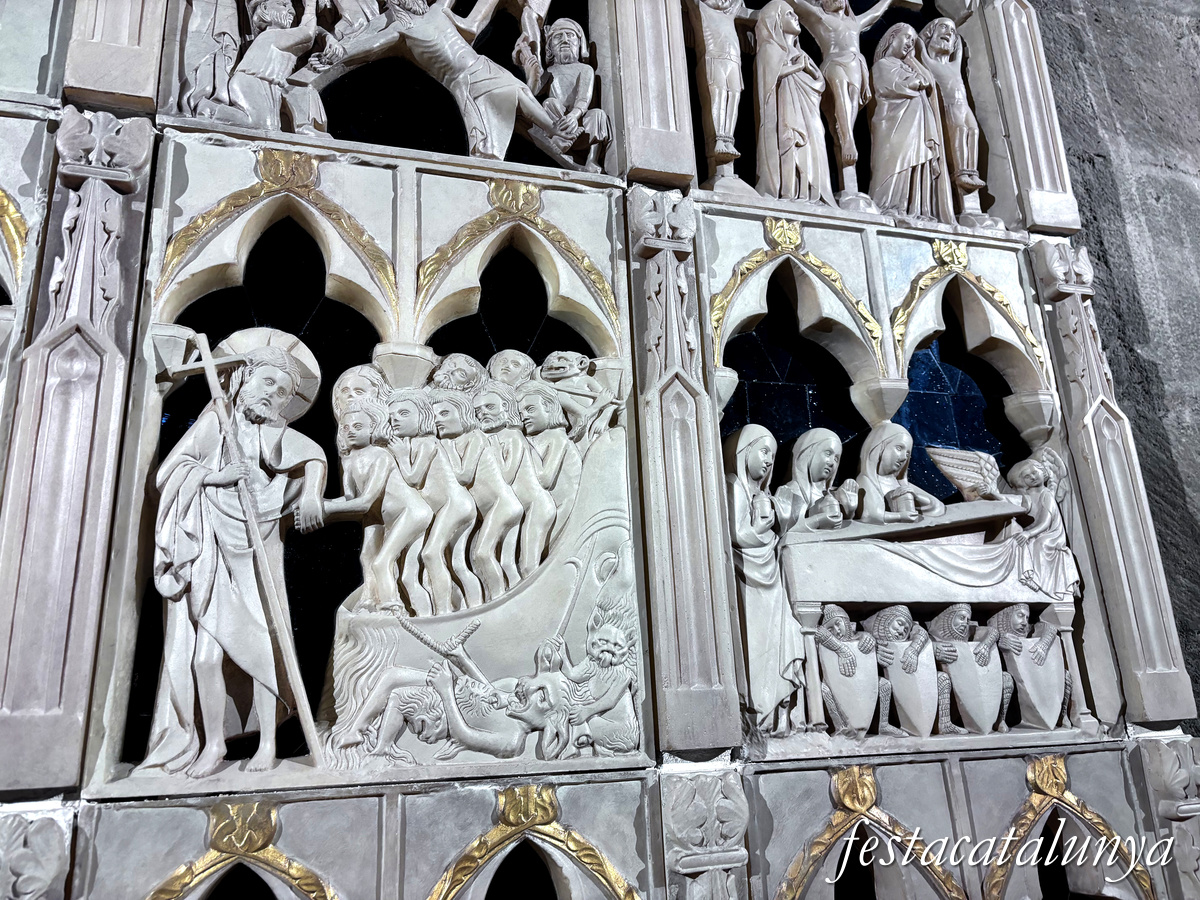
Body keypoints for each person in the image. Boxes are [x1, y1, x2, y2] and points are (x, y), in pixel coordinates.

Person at [142, 342, 326, 777]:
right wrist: (214, 476)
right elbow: (169, 474)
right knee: (206, 658)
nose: (273, 394)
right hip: (212, 545)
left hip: (256, 539)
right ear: (244, 378)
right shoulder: (215, 421)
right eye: (268, 381)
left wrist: (314, 494)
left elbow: (313, 454)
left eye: (282, 391)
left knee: (261, 644)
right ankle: (213, 746)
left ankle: (267, 743)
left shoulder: (268, 432)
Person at [790, 0, 920, 195]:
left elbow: (875, 13)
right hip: (834, 64)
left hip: (856, 69)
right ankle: (848, 140)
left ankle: (848, 180)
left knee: (844, 121)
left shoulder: (854, 23)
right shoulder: (821, 18)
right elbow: (797, 3)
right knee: (841, 95)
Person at [724, 425, 804, 736]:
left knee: (782, 640)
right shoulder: (733, 485)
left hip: (772, 582)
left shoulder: (763, 494)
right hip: (749, 582)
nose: (769, 460)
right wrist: (765, 526)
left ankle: (779, 718)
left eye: (773, 453)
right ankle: (757, 717)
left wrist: (779, 517)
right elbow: (737, 533)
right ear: (743, 454)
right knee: (756, 648)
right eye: (763, 451)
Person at [325, 395, 434, 615]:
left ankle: (392, 608)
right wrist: (321, 504)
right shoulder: (348, 461)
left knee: (382, 561)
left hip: (411, 513)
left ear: (373, 427)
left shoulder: (380, 455)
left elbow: (365, 502)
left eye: (358, 426)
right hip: (383, 517)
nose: (350, 431)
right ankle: (368, 600)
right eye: (345, 427)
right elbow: (349, 499)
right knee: (367, 555)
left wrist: (325, 509)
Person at [431, 389, 524, 600]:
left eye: (444, 414)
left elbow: (463, 476)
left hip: (503, 505)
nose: (438, 421)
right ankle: (510, 600)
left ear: (462, 415)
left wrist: (445, 451)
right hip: (495, 509)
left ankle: (500, 601)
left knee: (482, 554)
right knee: (505, 562)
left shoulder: (475, 437)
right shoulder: (452, 442)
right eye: (435, 416)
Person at [869, 23, 954, 222]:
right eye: (906, 38)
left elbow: (926, 80)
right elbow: (899, 86)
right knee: (896, 163)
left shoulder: (906, 65)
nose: (910, 44)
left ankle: (916, 209)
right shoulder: (883, 65)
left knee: (917, 163)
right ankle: (888, 205)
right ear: (892, 38)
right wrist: (915, 79)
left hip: (917, 126)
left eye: (913, 41)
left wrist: (913, 60)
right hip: (894, 124)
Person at [474, 381, 557, 577]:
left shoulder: (512, 436)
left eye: (490, 407)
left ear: (506, 408)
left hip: (537, 507)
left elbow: (506, 476)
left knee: (528, 566)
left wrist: (488, 450)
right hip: (518, 509)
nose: (483, 413)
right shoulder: (494, 437)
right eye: (478, 410)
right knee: (506, 563)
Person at [754, 2, 833, 204]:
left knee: (811, 147)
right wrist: (797, 68)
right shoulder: (769, 49)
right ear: (776, 21)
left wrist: (809, 70)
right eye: (789, 14)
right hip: (785, 112)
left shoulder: (802, 54)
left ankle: (809, 194)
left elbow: (819, 82)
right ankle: (788, 192)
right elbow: (772, 78)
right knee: (789, 141)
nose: (796, 17)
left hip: (808, 113)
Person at [198, 0, 319, 132]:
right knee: (261, 124)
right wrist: (311, 5)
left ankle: (305, 128)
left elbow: (309, 33)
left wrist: (327, 38)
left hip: (267, 85)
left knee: (272, 127)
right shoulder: (271, 35)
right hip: (251, 81)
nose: (292, 11)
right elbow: (308, 34)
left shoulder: (283, 36)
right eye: (283, 5)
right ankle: (210, 110)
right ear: (265, 8)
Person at [539, 18, 610, 172]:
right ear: (550, 47)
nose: (565, 40)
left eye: (570, 35)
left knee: (598, 115)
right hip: (559, 124)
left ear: (579, 43)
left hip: (579, 123)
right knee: (549, 103)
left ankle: (592, 160)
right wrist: (530, 70)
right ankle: (561, 136)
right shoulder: (550, 72)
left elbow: (584, 99)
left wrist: (573, 116)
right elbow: (532, 94)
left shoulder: (585, 69)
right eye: (558, 37)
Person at [856, 421, 945, 525]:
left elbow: (938, 507)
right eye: (899, 448)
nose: (903, 458)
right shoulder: (867, 480)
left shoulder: (899, 483)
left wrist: (915, 497)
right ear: (879, 447)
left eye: (907, 453)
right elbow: (871, 515)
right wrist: (900, 516)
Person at [775, 427, 858, 531]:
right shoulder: (790, 491)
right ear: (808, 453)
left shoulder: (833, 494)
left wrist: (848, 510)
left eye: (836, 458)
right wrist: (818, 521)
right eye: (828, 453)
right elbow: (786, 531)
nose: (832, 462)